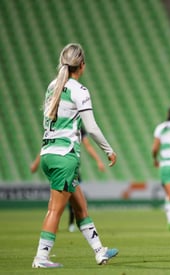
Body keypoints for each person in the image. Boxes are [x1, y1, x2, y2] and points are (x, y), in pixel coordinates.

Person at [32, 43, 118, 268]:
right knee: (54, 210)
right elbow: (91, 128)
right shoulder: (79, 91)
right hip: (64, 156)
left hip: (48, 153)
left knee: (80, 206)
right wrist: (109, 150)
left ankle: (100, 251)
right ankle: (41, 258)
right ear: (82, 65)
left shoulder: (53, 86)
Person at [30, 127, 106, 232]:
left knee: (62, 202)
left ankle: (59, 226)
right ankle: (53, 230)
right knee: (66, 204)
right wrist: (99, 160)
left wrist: (36, 163)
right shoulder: (74, 124)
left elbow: (47, 146)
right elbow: (88, 145)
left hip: (55, 164)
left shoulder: (58, 123)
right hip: (67, 165)